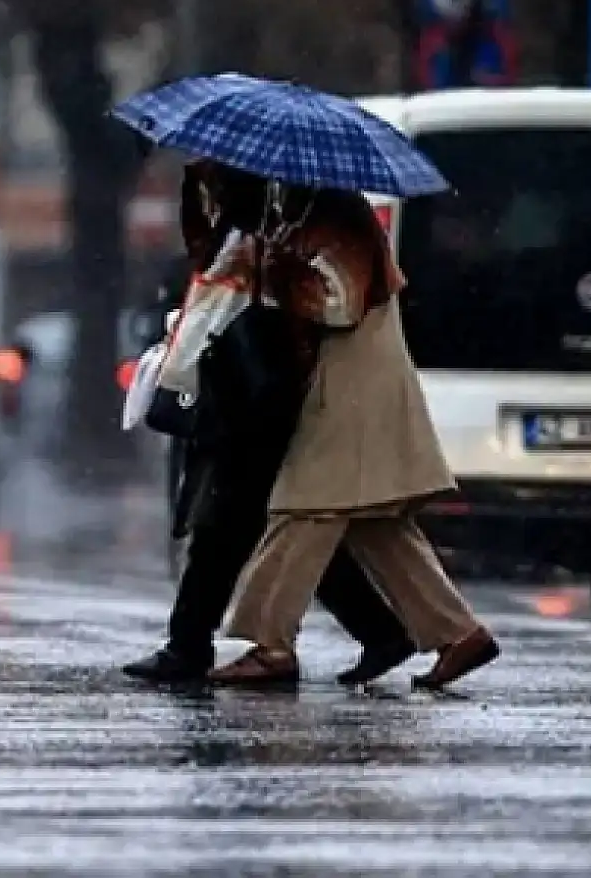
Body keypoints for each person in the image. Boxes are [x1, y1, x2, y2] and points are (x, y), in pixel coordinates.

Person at [123, 163, 414, 685]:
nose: (211, 185)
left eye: (218, 177)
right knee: (267, 527)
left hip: (259, 393)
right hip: (232, 386)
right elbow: (207, 274)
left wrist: (275, 269)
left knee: (229, 526)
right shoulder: (247, 224)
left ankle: (191, 645)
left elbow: (334, 303)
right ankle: (376, 630)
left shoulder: (305, 221)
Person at [208, 181, 499, 690]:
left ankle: (270, 644)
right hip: (349, 383)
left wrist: (272, 271)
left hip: (352, 388)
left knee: (303, 508)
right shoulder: (307, 214)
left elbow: (340, 305)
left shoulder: (340, 218)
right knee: (376, 522)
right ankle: (458, 634)